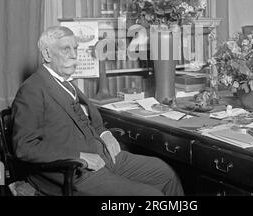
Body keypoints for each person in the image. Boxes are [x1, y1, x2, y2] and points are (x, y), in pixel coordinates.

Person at [11, 26, 184, 196]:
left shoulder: (67, 83)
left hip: (104, 156)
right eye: (66, 49)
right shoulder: (32, 90)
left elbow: (91, 122)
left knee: (166, 173)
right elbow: (25, 147)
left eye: (75, 48)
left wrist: (105, 135)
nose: (73, 55)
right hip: (75, 171)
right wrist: (80, 156)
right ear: (47, 54)